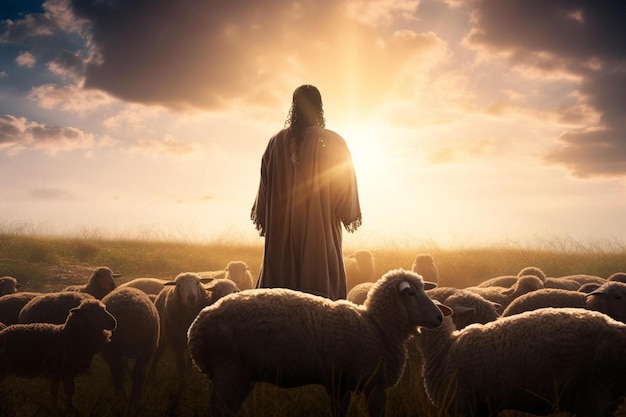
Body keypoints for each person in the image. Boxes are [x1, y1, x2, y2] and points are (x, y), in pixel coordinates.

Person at [251, 84, 362, 300]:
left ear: (294, 107)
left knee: (278, 300)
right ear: (319, 107)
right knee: (320, 302)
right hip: (318, 236)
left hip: (280, 237)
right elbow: (345, 191)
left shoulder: (275, 143)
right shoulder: (332, 142)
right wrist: (344, 210)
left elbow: (264, 193)